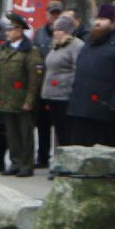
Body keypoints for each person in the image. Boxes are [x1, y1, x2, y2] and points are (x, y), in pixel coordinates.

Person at [66, 4, 115, 150]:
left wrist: (114, 107)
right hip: (81, 109)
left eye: (103, 19)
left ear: (113, 22)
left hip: (103, 111)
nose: (98, 22)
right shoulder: (89, 43)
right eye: (97, 18)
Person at [0, 14, 41, 176]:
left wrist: (29, 100)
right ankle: (15, 162)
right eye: (7, 29)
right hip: (7, 99)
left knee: (25, 134)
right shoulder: (5, 49)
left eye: (11, 30)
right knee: (12, 134)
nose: (7, 32)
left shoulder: (30, 51)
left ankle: (27, 165)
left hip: (22, 100)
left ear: (20, 31)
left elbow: (35, 79)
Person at [37, 16, 81, 160]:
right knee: (58, 132)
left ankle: (68, 162)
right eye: (55, 29)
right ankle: (59, 161)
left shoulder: (76, 46)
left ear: (68, 31)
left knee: (66, 133)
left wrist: (68, 87)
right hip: (52, 95)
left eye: (60, 30)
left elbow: (77, 70)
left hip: (65, 95)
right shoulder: (56, 46)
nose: (56, 32)